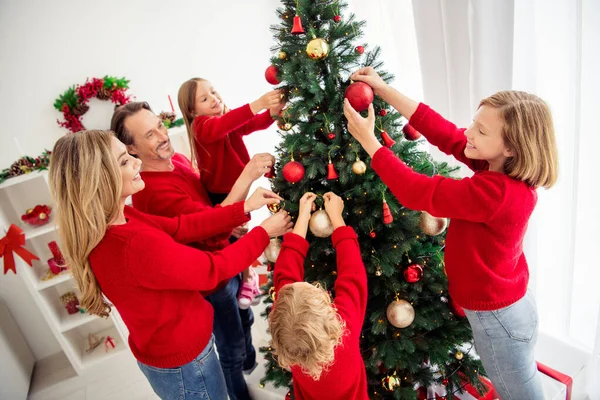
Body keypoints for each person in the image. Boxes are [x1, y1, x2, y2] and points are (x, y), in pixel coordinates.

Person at [344, 66, 559, 399]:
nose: (469, 131)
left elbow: (418, 192)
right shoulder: (501, 167)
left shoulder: (497, 193)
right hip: (513, 307)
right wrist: (383, 90)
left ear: (511, 148)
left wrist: (370, 143)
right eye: (474, 121)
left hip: (498, 320)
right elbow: (447, 133)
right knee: (523, 380)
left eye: (481, 130)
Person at [48, 129, 292, 400]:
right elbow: (212, 270)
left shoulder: (121, 218)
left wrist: (242, 207)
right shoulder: (132, 243)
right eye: (124, 161)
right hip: (187, 366)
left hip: (173, 356)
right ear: (101, 179)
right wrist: (263, 233)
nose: (137, 161)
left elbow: (181, 226)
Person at [110, 101, 274, 399]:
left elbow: (204, 217)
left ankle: (251, 369)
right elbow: (199, 231)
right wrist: (247, 181)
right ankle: (240, 392)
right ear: (131, 149)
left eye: (160, 125)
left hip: (227, 258)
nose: (162, 135)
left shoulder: (180, 161)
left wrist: (229, 219)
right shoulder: (151, 192)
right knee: (231, 347)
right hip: (213, 280)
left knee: (245, 320)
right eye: (149, 134)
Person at [269, 192, 369, 400]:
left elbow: (285, 275)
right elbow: (352, 275)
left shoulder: (287, 334)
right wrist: (337, 218)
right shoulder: (344, 331)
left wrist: (303, 217)